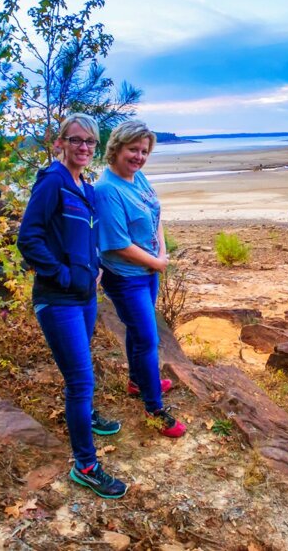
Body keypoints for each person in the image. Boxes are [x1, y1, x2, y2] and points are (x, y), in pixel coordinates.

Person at [16, 113, 126, 499]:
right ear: (60, 142)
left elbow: (89, 237)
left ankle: (87, 417)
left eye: (90, 142)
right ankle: (86, 466)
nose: (83, 147)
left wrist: (94, 267)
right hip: (58, 298)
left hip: (84, 297)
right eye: (76, 140)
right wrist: (63, 275)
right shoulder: (53, 182)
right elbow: (28, 239)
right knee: (80, 381)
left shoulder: (87, 187)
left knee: (81, 370)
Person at [95, 119, 186, 439]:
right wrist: (157, 263)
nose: (139, 156)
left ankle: (137, 380)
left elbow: (155, 214)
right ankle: (154, 407)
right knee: (148, 338)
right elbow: (117, 243)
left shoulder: (138, 177)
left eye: (144, 151)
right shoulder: (107, 190)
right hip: (126, 277)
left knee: (138, 331)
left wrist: (161, 253)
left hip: (148, 271)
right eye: (133, 150)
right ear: (116, 149)